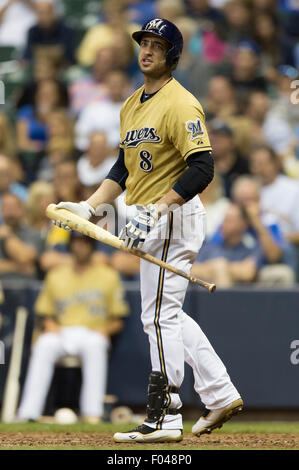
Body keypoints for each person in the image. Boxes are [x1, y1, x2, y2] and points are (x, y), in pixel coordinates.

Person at [50, 18, 243, 443]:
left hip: (172, 217)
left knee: (156, 316)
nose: (148, 50)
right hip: (149, 216)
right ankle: (220, 392)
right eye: (144, 42)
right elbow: (123, 166)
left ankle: (165, 415)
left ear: (172, 55)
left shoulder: (181, 103)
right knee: (165, 315)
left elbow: (203, 166)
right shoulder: (132, 104)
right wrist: (89, 205)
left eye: (157, 44)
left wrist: (157, 209)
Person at [18, 231, 128, 423]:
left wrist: (105, 330)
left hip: (92, 332)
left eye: (84, 243)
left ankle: (92, 413)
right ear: (70, 246)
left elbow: (118, 318)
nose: (80, 247)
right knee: (44, 344)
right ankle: (28, 412)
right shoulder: (56, 274)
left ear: (92, 246)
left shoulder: (108, 275)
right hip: (62, 331)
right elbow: (44, 312)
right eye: (76, 242)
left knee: (96, 344)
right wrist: (49, 324)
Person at [191, 203, 260, 287]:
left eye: (229, 220)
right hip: (203, 295)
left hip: (237, 295)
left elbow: (248, 273)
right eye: (224, 219)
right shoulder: (210, 245)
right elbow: (190, 271)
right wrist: (222, 268)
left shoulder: (250, 247)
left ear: (243, 225)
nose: (223, 224)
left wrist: (219, 268)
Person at [0, 192, 44, 283]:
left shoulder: (34, 234)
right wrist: (17, 267)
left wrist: (7, 236)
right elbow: (25, 265)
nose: (10, 213)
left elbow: (25, 258)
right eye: (6, 208)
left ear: (22, 210)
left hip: (27, 289)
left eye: (13, 208)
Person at [23, 0, 75, 66]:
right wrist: (54, 52)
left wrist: (39, 52)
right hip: (38, 70)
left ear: (54, 13)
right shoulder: (32, 31)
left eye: (47, 12)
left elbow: (68, 57)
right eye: (40, 13)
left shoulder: (66, 30)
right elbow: (27, 57)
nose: (44, 17)